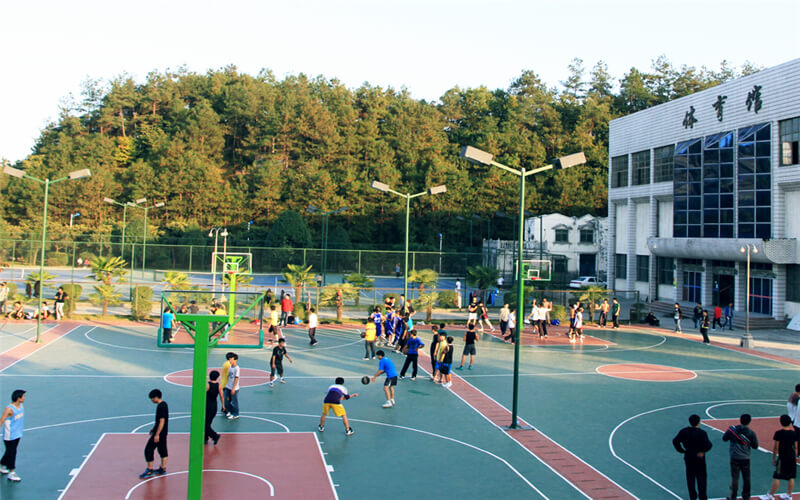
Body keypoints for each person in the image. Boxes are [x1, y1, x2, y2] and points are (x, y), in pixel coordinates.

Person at [672, 413, 712, 500]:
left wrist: (682, 450)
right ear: (698, 422)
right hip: (699, 458)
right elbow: (708, 445)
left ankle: (692, 497)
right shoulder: (702, 433)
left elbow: (675, 441)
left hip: (689, 456)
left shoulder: (684, 431)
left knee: (690, 477)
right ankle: (702, 497)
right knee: (701, 478)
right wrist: (702, 451)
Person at [723, 413, 759, 500]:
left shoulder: (732, 430)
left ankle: (733, 496)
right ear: (749, 422)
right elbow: (755, 446)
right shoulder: (751, 433)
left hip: (734, 457)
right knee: (746, 478)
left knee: (735, 477)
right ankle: (746, 496)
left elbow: (724, 438)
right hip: (745, 458)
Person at [762, 414, 798, 500]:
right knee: (791, 476)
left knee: (777, 476)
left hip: (783, 458)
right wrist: (795, 457)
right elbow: (796, 447)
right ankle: (789, 495)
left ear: (781, 422)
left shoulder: (779, 433)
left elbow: (776, 448)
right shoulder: (794, 434)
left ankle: (771, 495)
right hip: (792, 457)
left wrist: (774, 458)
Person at [139, 389, 168, 479]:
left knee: (148, 449)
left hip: (159, 433)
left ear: (156, 397)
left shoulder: (161, 407)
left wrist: (156, 434)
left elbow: (162, 421)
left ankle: (150, 469)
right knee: (162, 450)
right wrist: (154, 428)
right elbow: (160, 421)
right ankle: (162, 468)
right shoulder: (164, 404)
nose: (151, 400)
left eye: (152, 398)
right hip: (163, 432)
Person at [0, 389, 26, 482]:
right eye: (23, 396)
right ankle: (11, 472)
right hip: (9, 435)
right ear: (18, 398)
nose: (24, 398)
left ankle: (2, 465)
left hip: (17, 433)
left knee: (9, 451)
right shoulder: (9, 409)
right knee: (12, 452)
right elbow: (2, 419)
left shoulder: (21, 405)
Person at [205, 371, 224, 445]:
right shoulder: (218, 386)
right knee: (208, 423)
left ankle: (215, 435)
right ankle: (205, 437)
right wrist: (223, 405)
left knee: (205, 424)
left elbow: (203, 396)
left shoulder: (207, 385)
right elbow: (222, 396)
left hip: (207, 406)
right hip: (214, 406)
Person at [224, 354, 240, 420]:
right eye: (229, 359)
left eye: (231, 359)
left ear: (235, 360)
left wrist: (233, 388)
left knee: (234, 401)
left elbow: (236, 378)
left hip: (234, 388)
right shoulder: (230, 366)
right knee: (226, 400)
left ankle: (236, 414)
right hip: (228, 386)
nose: (230, 360)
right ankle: (230, 411)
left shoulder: (237, 368)